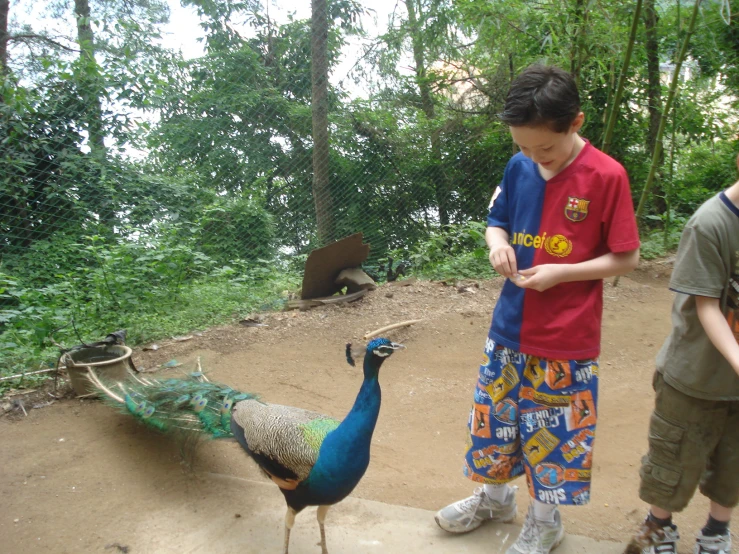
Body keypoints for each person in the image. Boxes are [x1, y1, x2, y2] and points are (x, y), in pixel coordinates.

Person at [434, 64, 641, 554]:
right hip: (508, 328)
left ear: (576, 123)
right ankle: (494, 499)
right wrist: (496, 245)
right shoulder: (519, 166)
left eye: (544, 147)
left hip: (566, 339)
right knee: (494, 421)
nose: (533, 157)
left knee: (553, 434)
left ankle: (545, 522)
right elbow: (496, 220)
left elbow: (627, 256)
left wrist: (559, 273)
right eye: (522, 147)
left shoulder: (607, 175)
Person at [624, 156, 739, 554]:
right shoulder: (711, 224)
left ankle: (716, 531)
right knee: (673, 460)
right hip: (694, 377)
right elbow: (707, 306)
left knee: (733, 466)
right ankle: (659, 525)